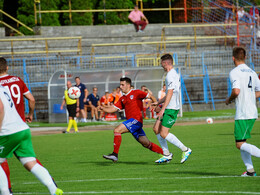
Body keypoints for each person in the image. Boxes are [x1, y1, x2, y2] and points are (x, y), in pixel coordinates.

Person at [0, 57, 57, 194]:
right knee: (29, 160)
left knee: (2, 161)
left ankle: (6, 191)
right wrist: (30, 114)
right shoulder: (17, 80)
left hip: (5, 128)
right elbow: (31, 98)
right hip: (21, 125)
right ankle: (53, 187)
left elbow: (1, 108)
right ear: (7, 67)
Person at [100, 77, 164, 162]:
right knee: (145, 143)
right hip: (132, 123)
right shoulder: (122, 98)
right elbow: (113, 109)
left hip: (136, 120)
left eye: (123, 85)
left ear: (128, 85)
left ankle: (115, 154)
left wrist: (156, 105)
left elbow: (150, 96)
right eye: (120, 85)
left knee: (117, 130)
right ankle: (166, 154)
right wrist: (103, 109)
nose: (121, 87)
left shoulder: (136, 92)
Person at [225, 47, 260, 176]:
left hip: (244, 113)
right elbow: (258, 91)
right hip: (251, 111)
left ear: (233, 58)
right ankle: (250, 170)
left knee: (239, 144)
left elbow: (236, 91)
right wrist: (249, 96)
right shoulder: (252, 72)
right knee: (242, 142)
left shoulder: (234, 72)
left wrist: (229, 99)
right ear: (245, 57)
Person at [152, 54, 192, 164]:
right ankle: (166, 155)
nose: (161, 66)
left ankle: (185, 149)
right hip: (168, 106)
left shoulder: (170, 75)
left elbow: (170, 93)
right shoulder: (173, 74)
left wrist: (162, 109)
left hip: (171, 108)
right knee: (156, 129)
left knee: (164, 133)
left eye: (162, 64)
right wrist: (159, 102)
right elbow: (171, 93)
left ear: (166, 63)